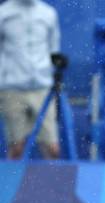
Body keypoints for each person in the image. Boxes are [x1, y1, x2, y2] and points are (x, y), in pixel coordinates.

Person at [0, 0, 61, 159]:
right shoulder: (3, 13)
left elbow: (54, 48)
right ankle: (11, 184)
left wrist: (54, 72)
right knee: (17, 148)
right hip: (12, 89)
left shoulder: (48, 13)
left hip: (42, 89)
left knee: (52, 148)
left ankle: (54, 183)